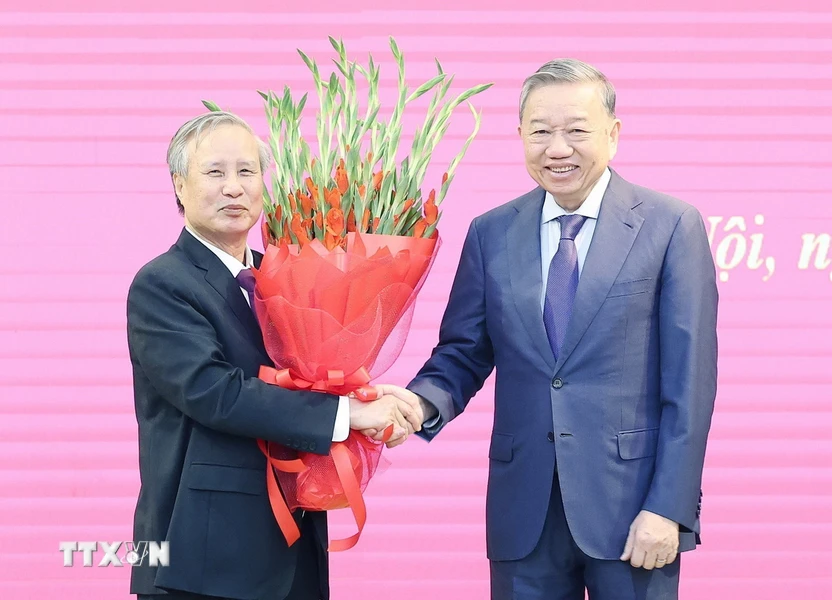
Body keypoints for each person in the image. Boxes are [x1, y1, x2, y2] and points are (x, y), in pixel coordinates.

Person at [377, 59, 718, 599]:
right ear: (519, 137)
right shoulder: (491, 232)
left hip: (632, 510)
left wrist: (669, 507)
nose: (557, 148)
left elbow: (690, 386)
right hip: (524, 511)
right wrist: (417, 406)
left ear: (613, 134)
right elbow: (463, 352)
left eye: (576, 130)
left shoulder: (671, 226)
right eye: (540, 132)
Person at [127, 111, 420, 600]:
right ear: (179, 185)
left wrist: (368, 395)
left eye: (247, 172)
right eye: (215, 172)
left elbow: (311, 378)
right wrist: (349, 414)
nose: (234, 188)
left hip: (293, 546)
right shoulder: (162, 284)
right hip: (200, 558)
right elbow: (217, 394)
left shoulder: (283, 276)